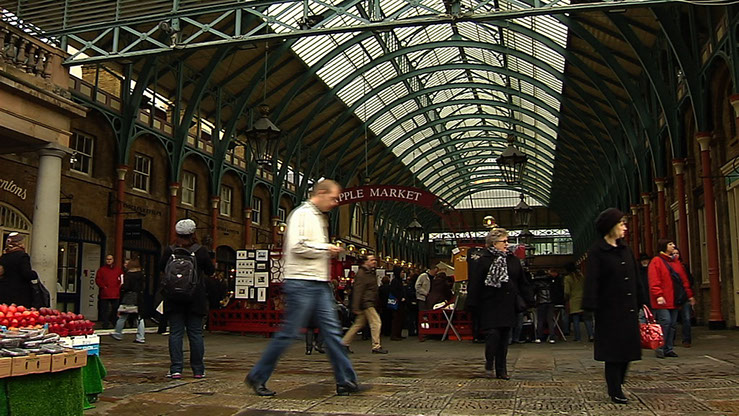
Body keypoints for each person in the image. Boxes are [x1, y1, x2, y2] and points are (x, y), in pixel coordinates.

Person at [245, 180, 358, 397]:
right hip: (301, 282)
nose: (335, 203)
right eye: (333, 198)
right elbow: (297, 246)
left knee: (332, 333)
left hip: (319, 283)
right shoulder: (301, 215)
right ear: (321, 193)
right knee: (289, 333)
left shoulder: (318, 217)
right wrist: (326, 248)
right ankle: (257, 376)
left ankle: (346, 380)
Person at [582, 208, 646, 405]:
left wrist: (642, 300)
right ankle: (615, 389)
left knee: (628, 351)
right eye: (621, 224)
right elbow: (592, 280)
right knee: (613, 353)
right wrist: (591, 304)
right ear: (611, 227)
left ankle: (618, 382)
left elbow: (635, 276)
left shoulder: (626, 249)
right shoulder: (597, 252)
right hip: (609, 310)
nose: (625, 227)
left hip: (628, 308)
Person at [467, 227, 529, 380]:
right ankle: (490, 362)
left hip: (508, 304)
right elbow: (475, 283)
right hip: (490, 304)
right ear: (494, 243)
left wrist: (528, 299)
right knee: (493, 335)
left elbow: (521, 281)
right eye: (504, 241)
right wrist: (472, 303)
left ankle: (502, 370)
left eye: (507, 241)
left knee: (504, 338)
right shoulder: (484, 260)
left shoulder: (513, 260)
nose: (507, 244)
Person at [158, 219, 215, 380]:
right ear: (193, 233)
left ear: (177, 233)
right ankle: (198, 370)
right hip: (195, 298)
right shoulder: (200, 251)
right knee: (195, 334)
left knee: (175, 333)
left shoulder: (170, 250)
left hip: (174, 298)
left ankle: (176, 369)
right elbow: (210, 271)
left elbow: (161, 268)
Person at [647, 239, 694, 359]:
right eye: (670, 244)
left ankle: (668, 348)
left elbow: (684, 280)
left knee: (672, 324)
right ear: (664, 246)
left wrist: (689, 295)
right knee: (665, 322)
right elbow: (654, 280)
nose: (673, 246)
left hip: (675, 298)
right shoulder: (656, 261)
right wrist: (658, 295)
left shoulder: (676, 262)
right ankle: (660, 348)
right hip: (662, 299)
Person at [342, 255, 388, 354]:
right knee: (376, 322)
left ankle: (344, 344)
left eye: (374, 260)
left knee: (358, 324)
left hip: (368, 302)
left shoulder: (369, 272)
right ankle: (376, 346)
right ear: (365, 262)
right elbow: (358, 291)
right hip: (366, 302)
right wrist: (355, 306)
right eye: (371, 260)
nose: (374, 261)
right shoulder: (362, 274)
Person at [112, 257, 146, 343]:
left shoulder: (128, 275)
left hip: (129, 297)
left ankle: (118, 333)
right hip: (139, 297)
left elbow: (126, 287)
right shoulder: (141, 275)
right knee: (139, 317)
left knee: (123, 316)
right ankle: (141, 337)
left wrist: (121, 289)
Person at [0, 233, 34, 307]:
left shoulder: (4, 256)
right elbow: (26, 274)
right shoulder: (22, 256)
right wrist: (34, 274)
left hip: (4, 292)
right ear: (19, 243)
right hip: (20, 294)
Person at [564, 262, 593, 342]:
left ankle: (578, 338)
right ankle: (591, 335)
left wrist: (566, 299)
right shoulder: (581, 276)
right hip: (583, 298)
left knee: (575, 319)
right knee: (587, 319)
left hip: (574, 300)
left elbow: (567, 291)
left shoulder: (567, 278)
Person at [95, 254, 123, 329]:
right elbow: (98, 280)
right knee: (104, 309)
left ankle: (113, 321)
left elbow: (121, 280)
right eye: (107, 259)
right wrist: (103, 286)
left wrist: (118, 288)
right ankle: (105, 323)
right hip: (105, 293)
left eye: (110, 259)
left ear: (113, 260)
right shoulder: (101, 270)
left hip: (115, 293)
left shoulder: (118, 270)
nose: (109, 261)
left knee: (115, 308)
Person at [673, 248, 693, 348]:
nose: (675, 255)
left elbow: (689, 281)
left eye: (677, 253)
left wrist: (690, 295)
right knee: (672, 321)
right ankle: (671, 340)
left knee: (687, 319)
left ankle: (686, 340)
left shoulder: (684, 267)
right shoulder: (668, 266)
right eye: (673, 253)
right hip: (673, 296)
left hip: (684, 296)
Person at [532, 270, 556, 343]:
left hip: (541, 302)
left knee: (540, 320)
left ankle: (539, 337)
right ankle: (552, 337)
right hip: (550, 302)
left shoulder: (536, 283)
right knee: (550, 320)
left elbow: (533, 293)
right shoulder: (549, 282)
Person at [389, 266, 407, 340]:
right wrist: (400, 298)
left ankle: (398, 334)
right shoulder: (395, 281)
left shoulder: (399, 281)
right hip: (397, 303)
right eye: (402, 272)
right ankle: (394, 334)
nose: (403, 274)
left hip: (401, 303)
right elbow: (394, 291)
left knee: (400, 319)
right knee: (396, 319)